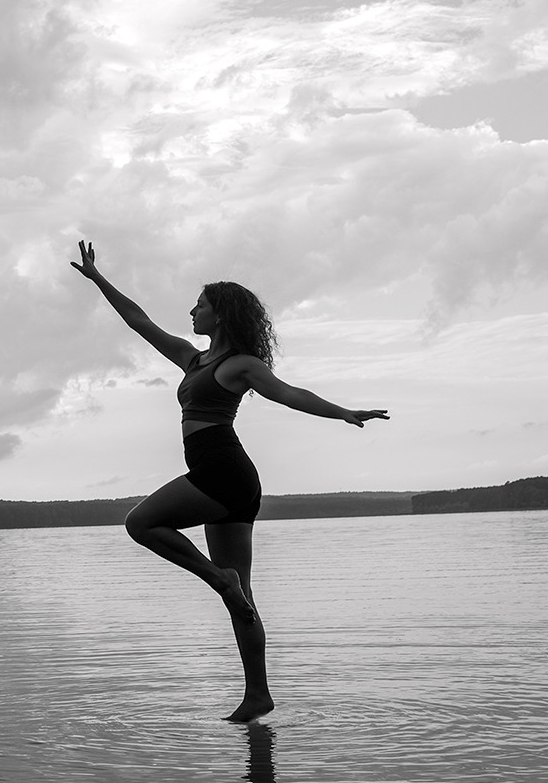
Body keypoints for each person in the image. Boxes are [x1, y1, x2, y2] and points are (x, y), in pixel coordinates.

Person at [71, 240, 388, 721]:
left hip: (222, 472)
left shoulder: (238, 364)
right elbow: (139, 321)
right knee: (243, 598)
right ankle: (258, 695)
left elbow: (288, 393)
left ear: (220, 314)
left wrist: (341, 412)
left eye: (200, 305)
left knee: (140, 523)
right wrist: (99, 280)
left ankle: (218, 579)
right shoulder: (191, 359)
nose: (191, 311)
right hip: (223, 478)